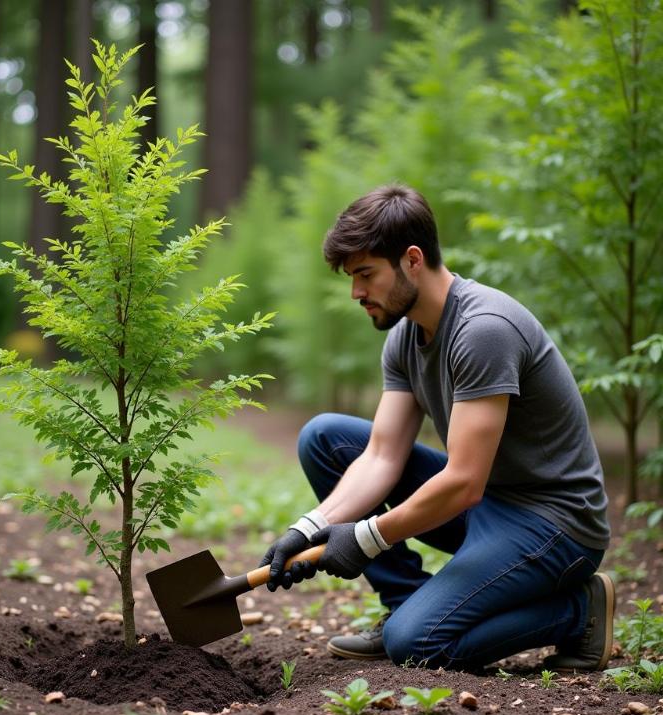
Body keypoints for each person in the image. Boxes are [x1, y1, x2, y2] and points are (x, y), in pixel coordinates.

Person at [259, 184, 613, 672]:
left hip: (553, 522)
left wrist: (364, 537)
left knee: (416, 644)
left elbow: (464, 482)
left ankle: (578, 611)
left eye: (365, 274)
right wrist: (311, 527)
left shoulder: (484, 329)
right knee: (325, 438)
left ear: (411, 260)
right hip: (490, 503)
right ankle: (407, 601)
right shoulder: (404, 339)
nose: (356, 293)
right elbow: (383, 455)